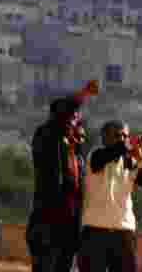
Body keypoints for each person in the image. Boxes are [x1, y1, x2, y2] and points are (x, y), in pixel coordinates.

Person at [28, 79, 99, 272]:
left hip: (70, 228)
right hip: (47, 225)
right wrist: (83, 94)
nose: (74, 119)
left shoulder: (77, 156)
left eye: (76, 118)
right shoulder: (46, 137)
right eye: (71, 116)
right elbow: (59, 123)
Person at [78, 121, 142, 272]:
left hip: (123, 234)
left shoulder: (130, 162)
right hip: (94, 233)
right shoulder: (96, 156)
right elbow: (111, 152)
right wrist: (132, 143)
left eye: (125, 136)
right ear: (104, 138)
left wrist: (141, 157)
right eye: (118, 135)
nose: (122, 139)